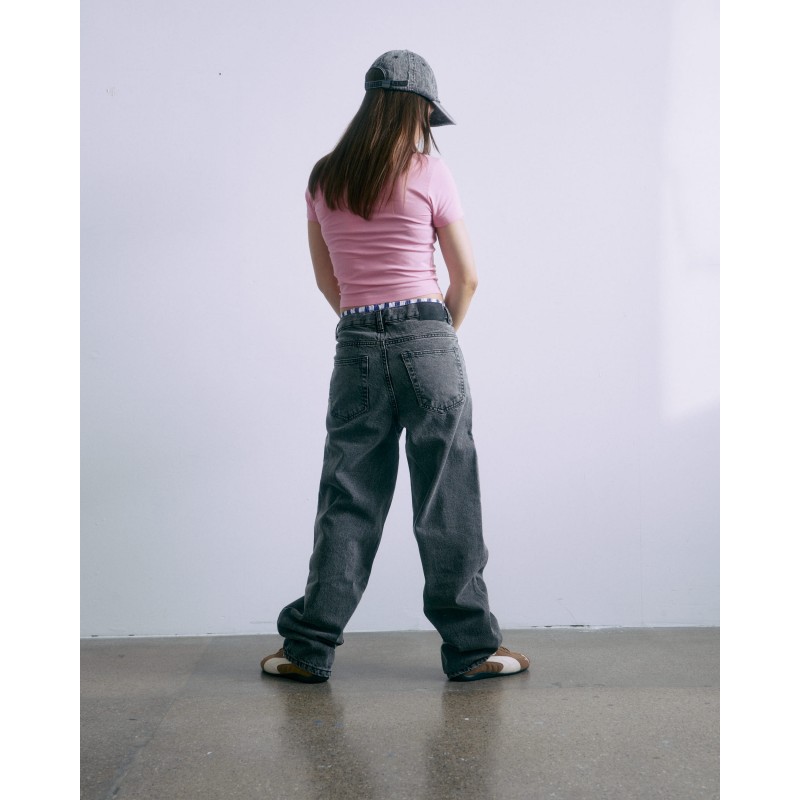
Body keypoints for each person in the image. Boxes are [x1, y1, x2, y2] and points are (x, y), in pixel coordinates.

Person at [260, 50, 529, 683]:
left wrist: (367, 329)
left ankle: (307, 650)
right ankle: (472, 650)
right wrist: (432, 336)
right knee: (447, 497)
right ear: (419, 110)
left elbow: (326, 278)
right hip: (428, 336)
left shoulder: (324, 178)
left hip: (355, 340)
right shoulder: (429, 170)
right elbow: (467, 277)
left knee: (348, 497)